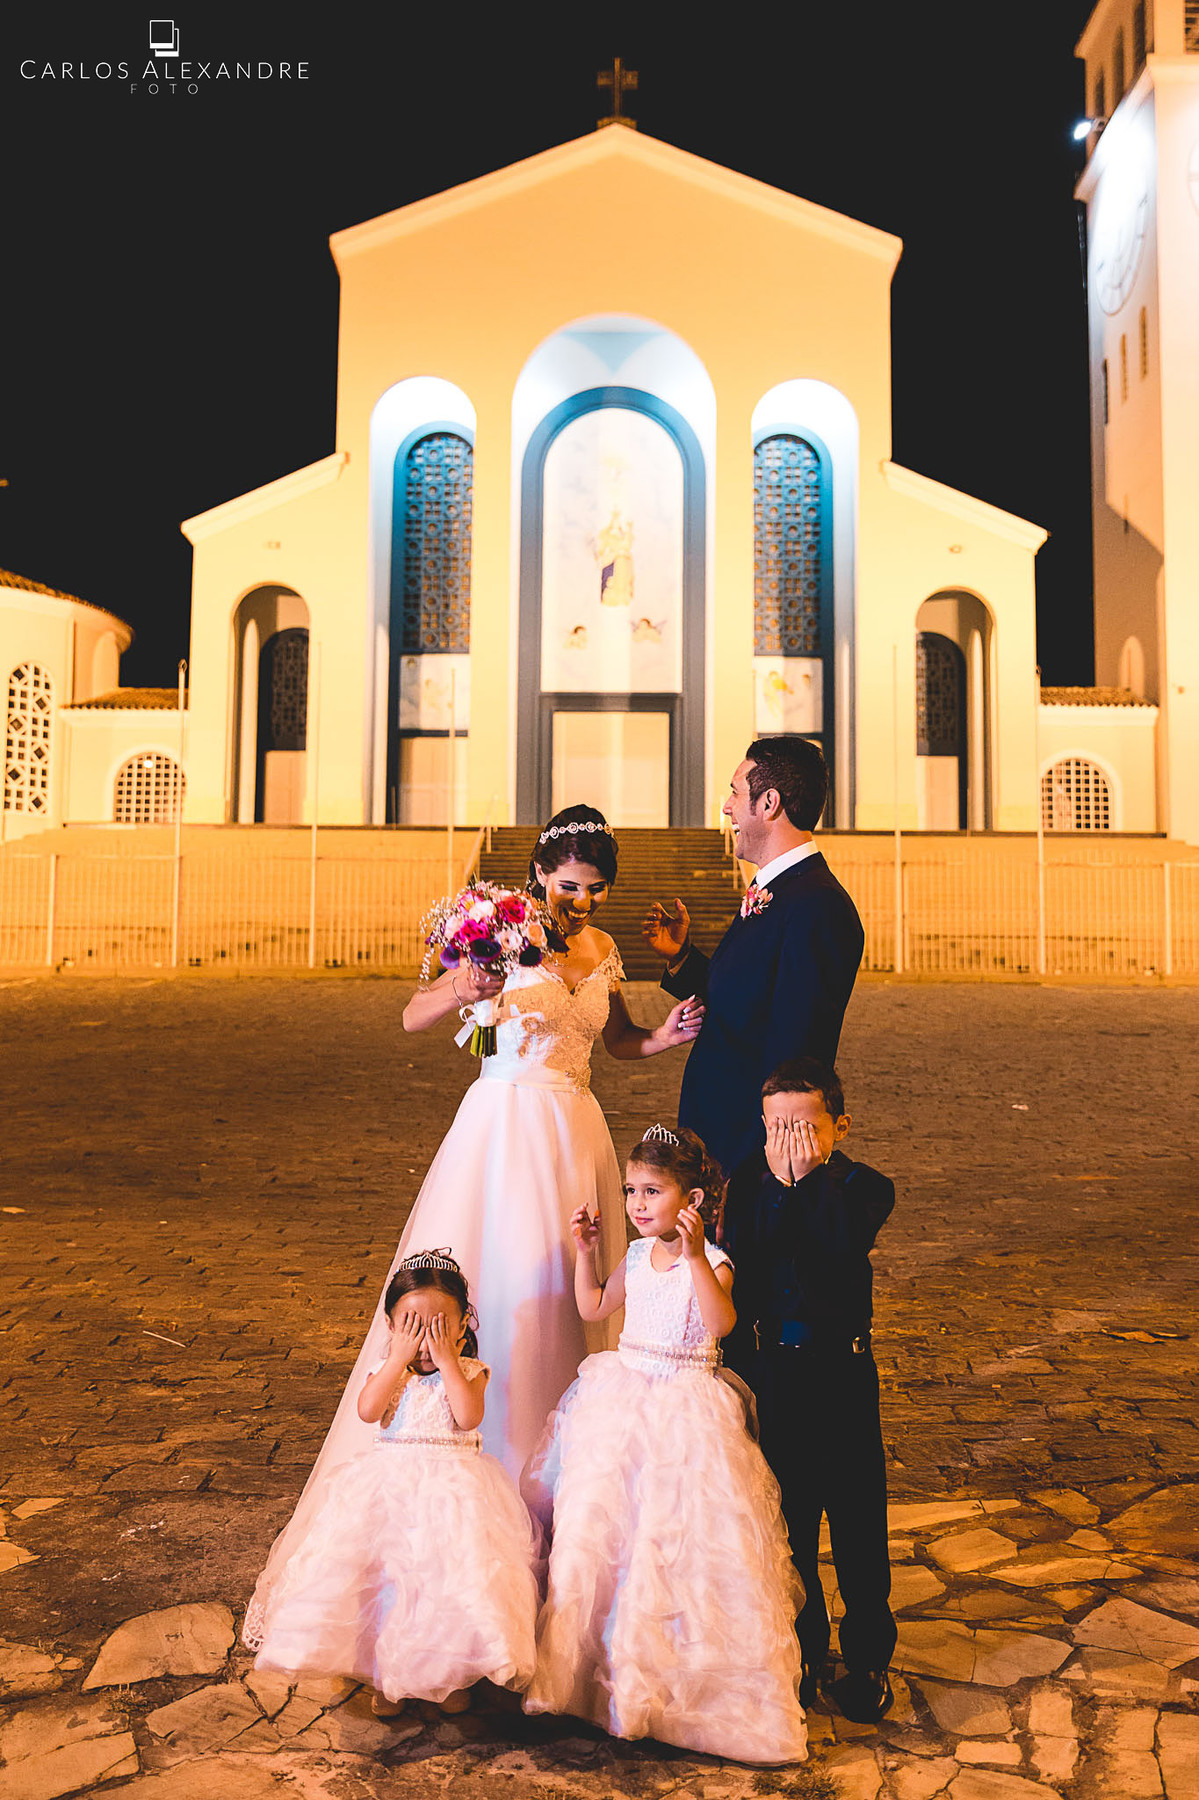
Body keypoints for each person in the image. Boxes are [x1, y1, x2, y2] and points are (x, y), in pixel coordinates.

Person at [244, 805, 701, 1646]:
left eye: (598, 890)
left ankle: (571, 1517)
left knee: (576, 1308)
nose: (585, 903)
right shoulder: (496, 927)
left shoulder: (601, 951)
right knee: (500, 1292)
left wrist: (663, 1038)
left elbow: (616, 1044)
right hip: (502, 1134)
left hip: (578, 1131)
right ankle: (466, 1526)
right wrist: (467, 985)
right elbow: (415, 1016)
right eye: (571, 886)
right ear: (537, 874)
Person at [523, 1126, 807, 1767]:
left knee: (674, 1543)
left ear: (693, 1199)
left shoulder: (713, 1260)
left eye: (652, 1191)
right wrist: (586, 1251)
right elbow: (595, 1308)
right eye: (631, 1191)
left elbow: (721, 1324)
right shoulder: (635, 1256)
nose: (638, 1204)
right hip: (621, 1402)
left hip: (685, 1406)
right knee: (603, 1534)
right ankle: (590, 1680)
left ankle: (677, 1689)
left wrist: (701, 1257)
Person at [249, 1251, 538, 1715]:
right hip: (389, 1496)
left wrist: (447, 1361)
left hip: (454, 1498)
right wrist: (396, 1360)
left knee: (448, 1589)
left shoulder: (468, 1373)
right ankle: (384, 1677)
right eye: (412, 1326)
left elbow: (467, 1418)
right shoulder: (389, 1374)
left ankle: (449, 1672)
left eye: (439, 1326)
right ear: (390, 1324)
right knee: (386, 1588)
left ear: (463, 1325)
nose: (425, 1339)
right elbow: (368, 1411)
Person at [721, 1058, 897, 1724]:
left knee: (856, 1518)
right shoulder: (747, 1187)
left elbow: (835, 1247)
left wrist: (804, 1182)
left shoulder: (863, 1187)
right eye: (775, 1126)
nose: (788, 1140)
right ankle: (805, 1644)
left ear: (838, 1126)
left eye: (803, 1125)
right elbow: (752, 1263)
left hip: (843, 1373)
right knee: (786, 1518)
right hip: (776, 1371)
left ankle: (867, 1660)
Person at [642, 737, 863, 1175]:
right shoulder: (780, 890)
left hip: (748, 1153)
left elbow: (797, 1048)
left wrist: (764, 1168)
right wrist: (683, 958)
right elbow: (747, 1002)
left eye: (735, 793)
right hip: (719, 1138)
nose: (726, 807)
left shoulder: (817, 906)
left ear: (769, 803)